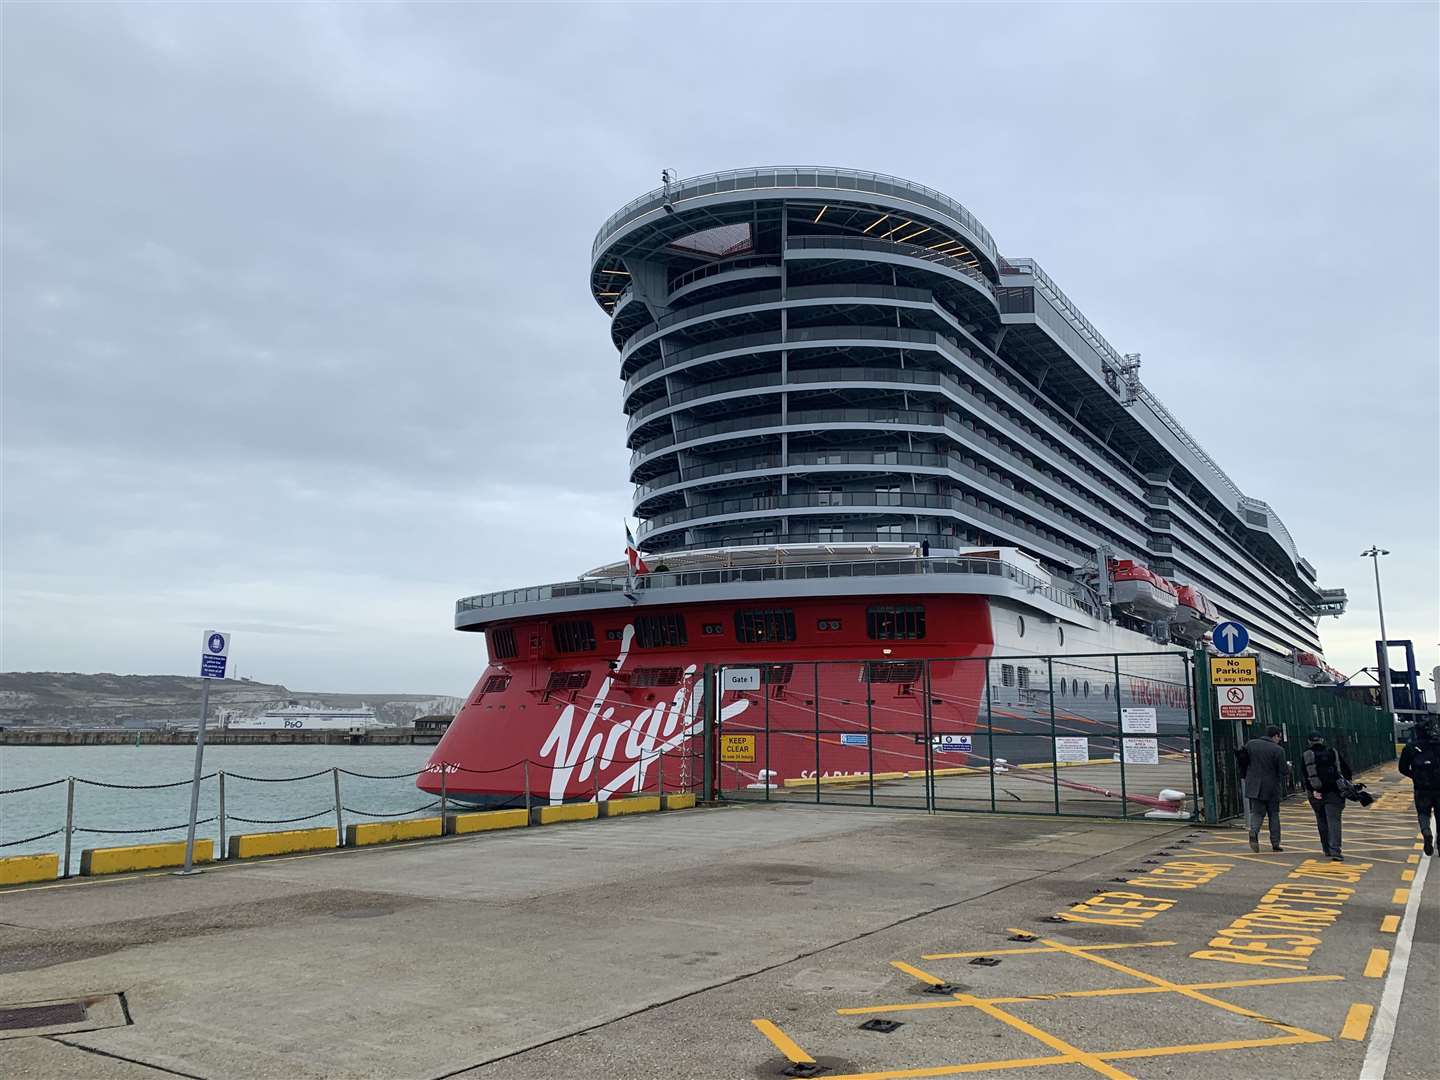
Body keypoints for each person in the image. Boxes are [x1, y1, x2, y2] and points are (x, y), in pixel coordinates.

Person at [1302, 732, 1352, 861]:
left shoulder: (1307, 755)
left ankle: (1326, 848)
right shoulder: (1332, 752)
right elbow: (1346, 770)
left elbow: (1304, 774)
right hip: (1334, 791)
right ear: (1322, 740)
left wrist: (1312, 790)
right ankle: (1335, 850)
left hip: (1316, 791)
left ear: (1309, 742)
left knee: (1321, 819)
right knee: (1334, 821)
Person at [1239, 726, 1289, 852]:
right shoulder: (1278, 750)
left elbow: (1243, 759)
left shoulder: (1251, 744)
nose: (1279, 740)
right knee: (1274, 815)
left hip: (1254, 786)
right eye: (1279, 737)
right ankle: (1275, 843)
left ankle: (1254, 831)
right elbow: (1283, 771)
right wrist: (1289, 767)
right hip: (1272, 787)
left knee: (1257, 812)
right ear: (1275, 736)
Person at [1398, 718, 1440, 857]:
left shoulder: (1411, 748)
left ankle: (1426, 831)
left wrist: (1414, 776)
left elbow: (1402, 768)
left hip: (1421, 788)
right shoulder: (1437, 745)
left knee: (1423, 813)